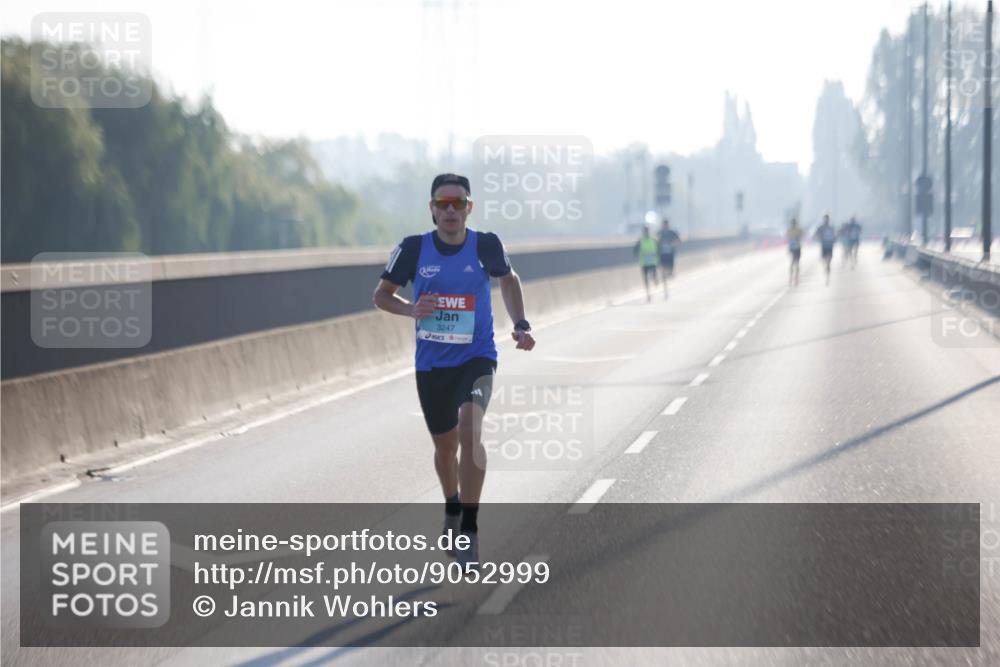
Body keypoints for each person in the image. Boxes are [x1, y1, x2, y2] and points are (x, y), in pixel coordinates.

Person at [373, 173, 536, 568]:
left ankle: (470, 528)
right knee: (445, 449)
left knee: (470, 429)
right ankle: (451, 502)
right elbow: (381, 295)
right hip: (432, 365)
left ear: (469, 208)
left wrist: (520, 323)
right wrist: (410, 309)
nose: (450, 211)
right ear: (431, 209)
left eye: (458, 203)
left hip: (477, 356)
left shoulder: (486, 245)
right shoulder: (414, 249)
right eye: (442, 204)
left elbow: (508, 280)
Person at [656, 218, 681, 299]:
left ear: (668, 225)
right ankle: (665, 291)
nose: (665, 226)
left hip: (670, 255)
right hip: (662, 255)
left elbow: (679, 241)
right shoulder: (659, 233)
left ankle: (669, 276)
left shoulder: (672, 232)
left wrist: (673, 244)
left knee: (669, 273)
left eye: (666, 224)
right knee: (663, 273)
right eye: (664, 224)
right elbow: (655, 241)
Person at [633, 226, 659, 302]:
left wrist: (658, 257)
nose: (646, 232)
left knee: (653, 276)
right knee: (645, 279)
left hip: (653, 262)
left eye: (647, 231)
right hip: (644, 263)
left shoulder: (653, 239)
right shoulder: (640, 240)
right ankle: (648, 294)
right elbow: (635, 250)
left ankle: (655, 280)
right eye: (645, 231)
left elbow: (658, 249)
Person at [814, 214, 837, 286]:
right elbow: (816, 234)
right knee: (824, 259)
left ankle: (828, 267)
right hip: (824, 245)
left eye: (827, 219)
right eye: (825, 219)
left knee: (829, 259)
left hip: (830, 245)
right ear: (824, 219)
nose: (826, 220)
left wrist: (834, 239)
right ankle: (826, 266)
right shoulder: (821, 227)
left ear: (829, 219)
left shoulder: (831, 227)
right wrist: (819, 237)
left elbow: (835, 235)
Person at [786, 218, 803, 286]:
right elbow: (788, 237)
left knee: (796, 263)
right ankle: (791, 277)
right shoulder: (790, 230)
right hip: (793, 248)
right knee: (793, 263)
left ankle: (796, 277)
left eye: (794, 223)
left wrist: (797, 237)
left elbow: (802, 235)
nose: (793, 224)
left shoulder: (798, 229)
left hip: (797, 248)